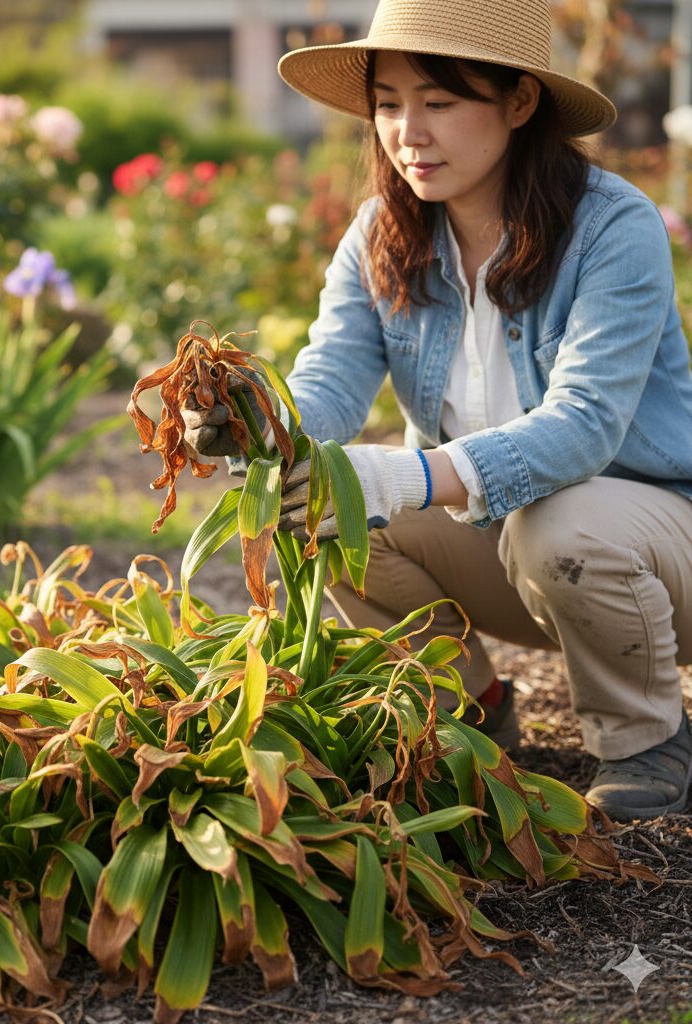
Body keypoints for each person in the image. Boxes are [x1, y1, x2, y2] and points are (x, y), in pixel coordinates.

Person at [181, 0, 692, 821]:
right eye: (387, 104)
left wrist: (401, 476)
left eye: (440, 102)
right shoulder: (382, 233)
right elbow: (332, 383)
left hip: (656, 553)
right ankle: (468, 703)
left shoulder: (612, 226)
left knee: (560, 520)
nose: (407, 132)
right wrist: (257, 423)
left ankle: (645, 737)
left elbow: (586, 424)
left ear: (519, 103)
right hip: (505, 549)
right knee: (315, 508)